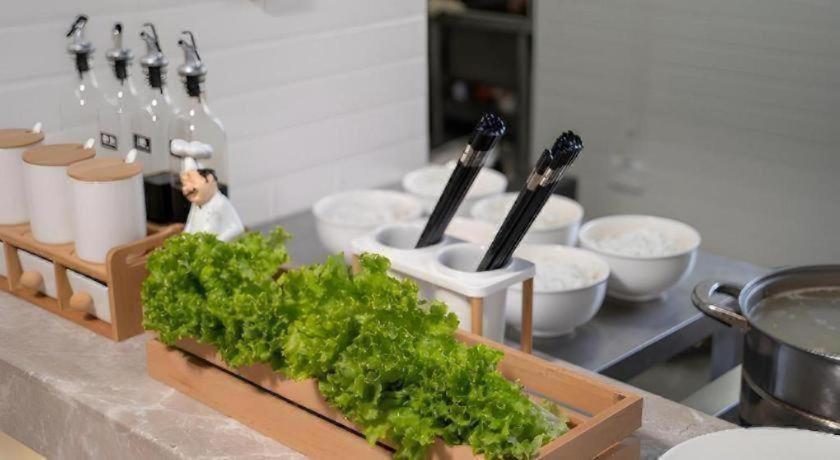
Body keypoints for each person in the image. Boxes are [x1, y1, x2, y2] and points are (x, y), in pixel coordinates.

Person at [180, 159, 244, 242]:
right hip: (197, 247)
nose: (186, 189)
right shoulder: (195, 205)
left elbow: (238, 228)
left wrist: (217, 242)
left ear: (209, 179)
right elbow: (190, 224)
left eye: (192, 182)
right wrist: (184, 239)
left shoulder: (220, 203)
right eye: (184, 184)